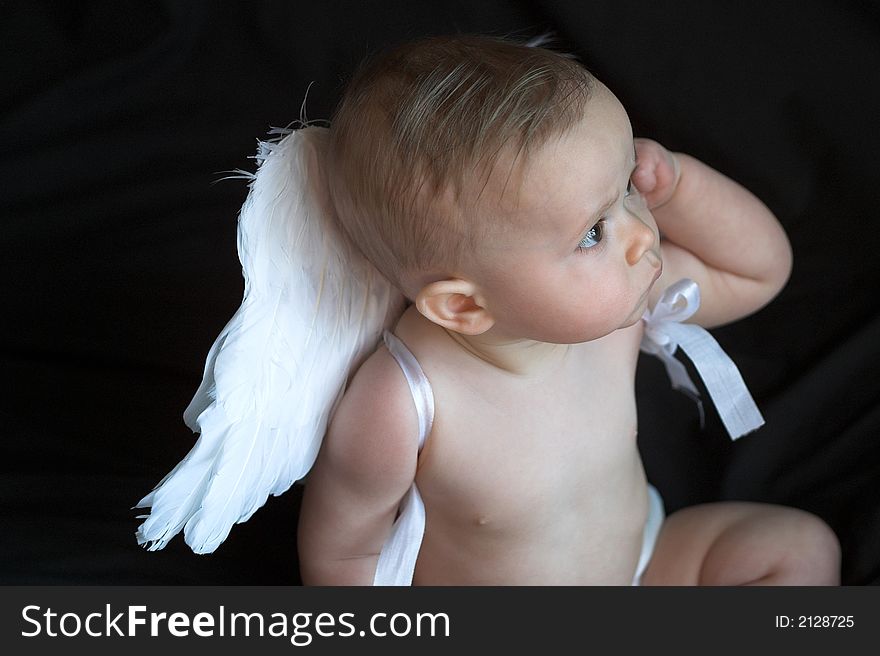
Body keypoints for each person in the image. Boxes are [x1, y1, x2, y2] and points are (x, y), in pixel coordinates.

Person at [295, 34, 841, 586]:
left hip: (644, 566)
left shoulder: (617, 309)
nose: (641, 236)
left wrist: (678, 184)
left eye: (627, 187)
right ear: (463, 305)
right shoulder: (403, 403)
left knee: (800, 549)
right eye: (593, 233)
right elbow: (343, 554)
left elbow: (757, 272)